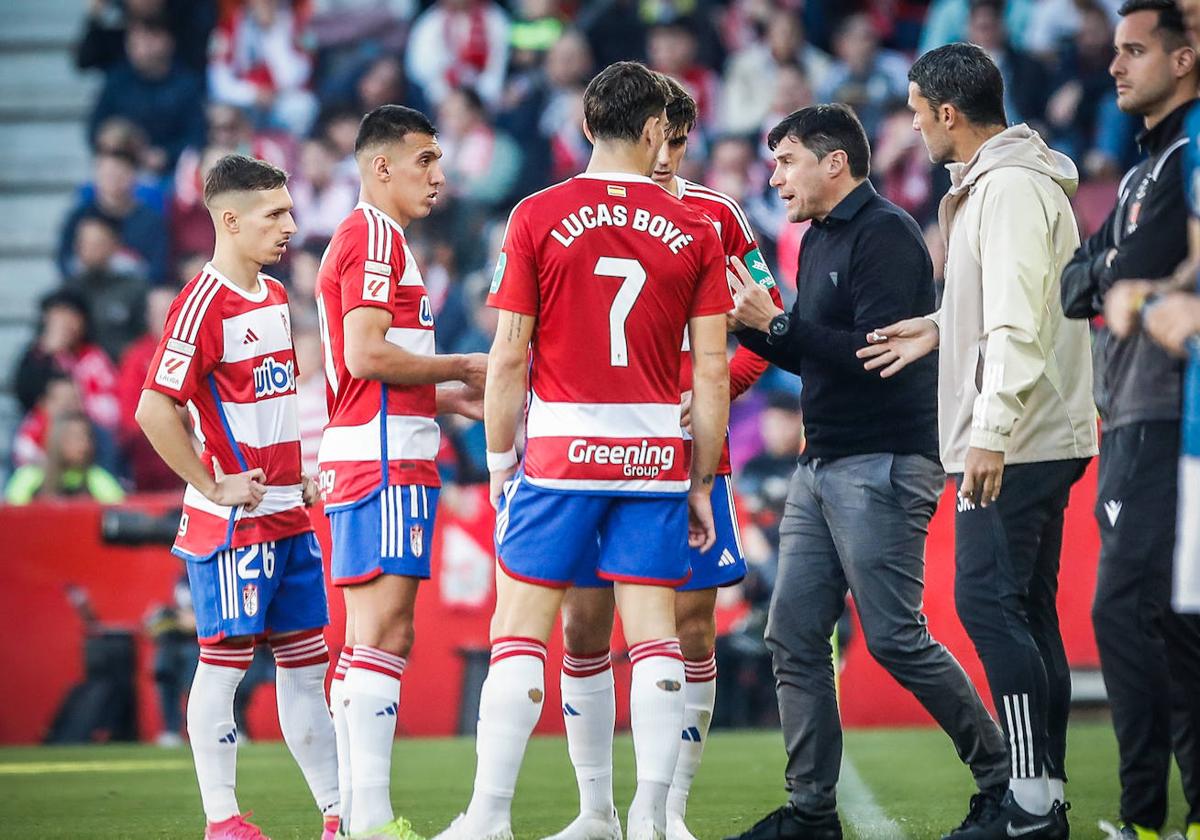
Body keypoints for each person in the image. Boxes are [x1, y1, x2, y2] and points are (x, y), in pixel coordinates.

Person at [434, 60, 732, 840]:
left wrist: (502, 464)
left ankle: (490, 818)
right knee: (656, 637)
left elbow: (507, 357)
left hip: (561, 456)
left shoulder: (535, 213)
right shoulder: (697, 227)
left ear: (586, 127)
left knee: (521, 633)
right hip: (652, 457)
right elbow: (708, 368)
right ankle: (649, 817)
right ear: (650, 131)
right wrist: (700, 478)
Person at [722, 103, 1009, 840]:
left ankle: (1007, 781)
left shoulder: (886, 234)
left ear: (834, 162)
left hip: (882, 461)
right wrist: (762, 329)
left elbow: (875, 356)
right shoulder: (817, 240)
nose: (775, 177)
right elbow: (822, 350)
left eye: (786, 161)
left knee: (893, 638)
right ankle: (813, 812)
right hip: (825, 464)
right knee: (791, 635)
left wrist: (776, 326)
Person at [858, 44, 1098, 840]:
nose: (915, 123)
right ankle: (1044, 796)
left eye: (918, 109)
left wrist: (989, 433)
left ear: (950, 113)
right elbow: (1001, 303)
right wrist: (937, 328)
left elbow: (1018, 325)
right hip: (1028, 426)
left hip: (1018, 434)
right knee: (1022, 610)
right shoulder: (1003, 187)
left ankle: (1030, 803)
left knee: (989, 605)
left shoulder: (1010, 192)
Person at [545, 75, 781, 840]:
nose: (665, 157)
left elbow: (768, 329)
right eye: (661, 139)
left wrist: (710, 399)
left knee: (693, 628)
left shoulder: (716, 215)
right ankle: (595, 812)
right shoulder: (569, 210)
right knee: (583, 625)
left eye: (680, 144)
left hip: (689, 451)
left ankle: (668, 810)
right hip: (589, 445)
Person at [134, 154, 340, 840]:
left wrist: (298, 473)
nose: (291, 224)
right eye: (274, 213)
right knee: (222, 665)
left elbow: (269, 407)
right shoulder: (200, 303)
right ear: (229, 219)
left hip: (288, 512)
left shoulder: (277, 297)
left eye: (288, 209)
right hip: (232, 525)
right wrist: (211, 482)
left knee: (307, 668)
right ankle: (222, 819)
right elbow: (154, 409)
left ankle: (338, 815)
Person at [314, 104, 486, 840]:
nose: (439, 177)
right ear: (381, 166)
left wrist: (446, 397)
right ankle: (372, 819)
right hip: (384, 462)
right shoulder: (376, 238)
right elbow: (365, 356)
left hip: (371, 448)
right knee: (386, 634)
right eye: (425, 161)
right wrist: (463, 364)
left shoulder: (369, 237)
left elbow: (371, 373)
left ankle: (351, 815)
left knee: (365, 640)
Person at [1058, 2, 1200, 837]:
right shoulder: (1149, 166)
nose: (1116, 67)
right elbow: (1083, 284)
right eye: (1115, 51)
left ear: (1183, 60)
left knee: (1130, 611)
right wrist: (1116, 272)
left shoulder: (1183, 152)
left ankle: (1144, 814)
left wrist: (1124, 275)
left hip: (1162, 407)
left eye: (1136, 51)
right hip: (1135, 407)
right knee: (1171, 622)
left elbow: (1127, 274)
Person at [87, 15, 206, 173]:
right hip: (124, 167)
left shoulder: (186, 84)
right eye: (134, 39)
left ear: (168, 41)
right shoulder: (117, 80)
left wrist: (166, 155)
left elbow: (197, 136)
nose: (140, 46)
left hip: (172, 172)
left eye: (149, 37)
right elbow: (95, 130)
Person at [5, 411, 125, 505]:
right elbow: (13, 516)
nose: (84, 444)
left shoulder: (97, 478)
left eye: (86, 437)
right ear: (56, 440)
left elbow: (120, 508)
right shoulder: (30, 476)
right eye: (75, 437)